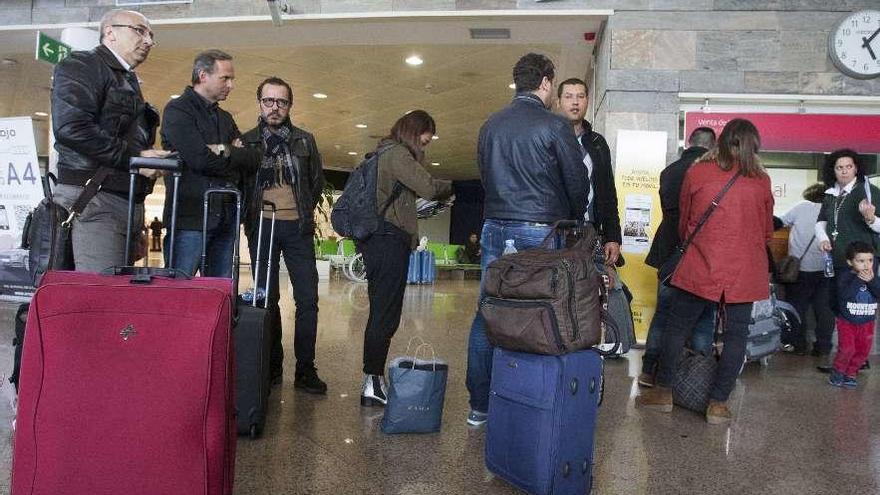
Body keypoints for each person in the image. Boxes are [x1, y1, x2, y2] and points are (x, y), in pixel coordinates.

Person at [465, 53, 588, 426]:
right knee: (538, 314)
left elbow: (486, 177)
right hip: (540, 230)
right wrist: (570, 213)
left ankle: (479, 407)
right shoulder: (554, 126)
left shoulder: (490, 125)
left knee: (488, 310)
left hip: (494, 228)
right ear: (547, 83)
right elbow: (577, 185)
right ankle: (530, 401)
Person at [637, 118, 774, 425]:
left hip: (701, 262)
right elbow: (766, 230)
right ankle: (718, 404)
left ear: (722, 142)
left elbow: (687, 223)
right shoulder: (761, 181)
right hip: (745, 269)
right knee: (737, 335)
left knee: (677, 327)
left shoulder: (698, 171)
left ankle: (663, 392)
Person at [51, 9, 169, 272]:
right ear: (110, 32)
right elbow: (72, 128)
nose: (148, 40)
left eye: (151, 35)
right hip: (94, 200)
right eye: (139, 30)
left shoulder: (125, 78)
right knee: (99, 298)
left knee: (112, 297)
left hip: (118, 201)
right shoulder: (83, 65)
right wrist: (135, 159)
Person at [235, 77, 327, 394]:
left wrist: (300, 212)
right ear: (259, 102)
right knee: (267, 299)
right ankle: (271, 367)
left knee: (308, 301)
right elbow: (243, 186)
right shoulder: (246, 142)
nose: (275, 108)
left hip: (297, 227)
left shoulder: (305, 141)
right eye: (269, 101)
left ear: (290, 105)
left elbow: (315, 183)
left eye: (282, 102)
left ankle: (305, 370)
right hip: (262, 226)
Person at [358, 110, 452, 407]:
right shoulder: (397, 154)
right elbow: (428, 186)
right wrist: (450, 188)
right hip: (388, 243)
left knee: (382, 313)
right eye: (424, 141)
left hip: (380, 242)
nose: (424, 148)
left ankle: (373, 379)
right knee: (384, 315)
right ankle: (371, 382)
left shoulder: (385, 152)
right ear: (415, 133)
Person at [639, 127, 717, 387]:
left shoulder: (669, 171)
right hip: (699, 250)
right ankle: (697, 373)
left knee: (664, 312)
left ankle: (649, 368)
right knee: (704, 313)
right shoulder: (712, 173)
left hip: (668, 251)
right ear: (712, 147)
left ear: (689, 144)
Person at [160, 49, 245, 277]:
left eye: (232, 79)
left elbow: (249, 158)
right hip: (190, 219)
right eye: (225, 78)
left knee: (219, 294)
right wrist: (230, 153)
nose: (231, 85)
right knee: (179, 289)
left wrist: (218, 150)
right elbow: (198, 159)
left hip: (225, 218)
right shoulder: (178, 110)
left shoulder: (225, 118)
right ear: (202, 75)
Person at [815, 149, 880, 356]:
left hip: (861, 262)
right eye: (839, 167)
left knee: (859, 308)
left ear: (856, 168)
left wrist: (871, 219)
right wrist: (824, 239)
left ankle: (859, 357)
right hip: (835, 260)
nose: (844, 171)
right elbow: (820, 223)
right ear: (833, 170)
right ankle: (845, 355)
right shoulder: (831, 194)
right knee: (837, 307)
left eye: (848, 167)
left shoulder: (869, 191)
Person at [556, 78, 621, 266]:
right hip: (556, 231)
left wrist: (613, 237)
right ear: (559, 102)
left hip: (590, 231)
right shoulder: (549, 138)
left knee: (592, 290)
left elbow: (608, 192)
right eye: (568, 97)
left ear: (587, 101)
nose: (575, 102)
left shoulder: (597, 143)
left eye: (580, 96)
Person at [777, 183, 834, 355]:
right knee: (824, 311)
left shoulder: (802, 207)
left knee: (797, 308)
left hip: (801, 270)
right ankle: (823, 347)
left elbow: (779, 222)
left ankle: (798, 345)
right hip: (826, 270)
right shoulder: (832, 212)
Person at [828, 241, 878, 388]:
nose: (866, 265)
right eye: (861, 261)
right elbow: (844, 295)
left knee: (863, 350)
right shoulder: (846, 276)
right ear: (850, 262)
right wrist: (859, 279)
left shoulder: (873, 277)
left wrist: (872, 281)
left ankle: (851, 373)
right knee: (848, 348)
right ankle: (838, 371)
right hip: (847, 321)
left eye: (869, 260)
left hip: (868, 322)